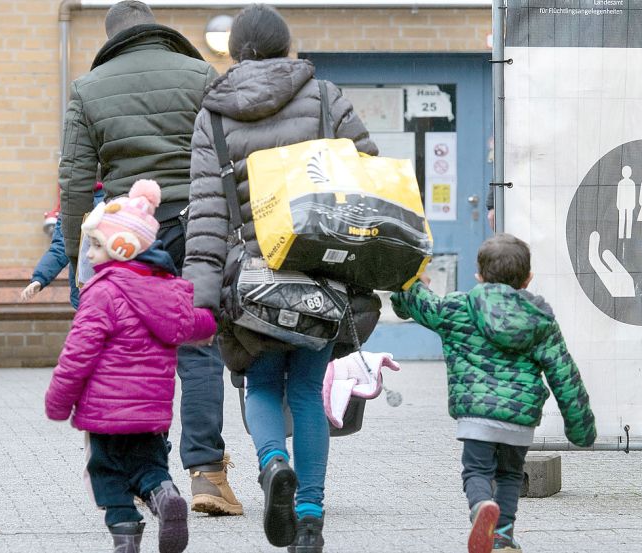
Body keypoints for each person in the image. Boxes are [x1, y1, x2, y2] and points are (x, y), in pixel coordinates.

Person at [181, 5, 377, 552]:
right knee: (310, 392)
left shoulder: (213, 116)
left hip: (250, 281)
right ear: (288, 46)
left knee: (262, 383)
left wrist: (200, 297)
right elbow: (368, 172)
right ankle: (310, 517)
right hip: (320, 272)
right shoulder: (325, 96)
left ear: (232, 52)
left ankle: (272, 468)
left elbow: (206, 214)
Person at [57, 0, 243, 515]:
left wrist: (79, 254)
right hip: (199, 223)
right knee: (200, 345)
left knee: (130, 350)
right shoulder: (200, 73)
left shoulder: (87, 89)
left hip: (127, 233)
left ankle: (149, 476)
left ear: (111, 38)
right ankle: (207, 474)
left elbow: (74, 181)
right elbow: (230, 156)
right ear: (158, 30)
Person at [390, 234, 596, 553]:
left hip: (476, 417)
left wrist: (413, 284)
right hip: (519, 421)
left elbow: (421, 305)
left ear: (479, 276)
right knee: (510, 475)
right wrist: (581, 429)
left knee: (477, 471)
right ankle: (502, 536)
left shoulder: (458, 307)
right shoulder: (539, 321)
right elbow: (564, 374)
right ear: (528, 279)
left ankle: (480, 507)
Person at [44, 180, 217, 553]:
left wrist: (58, 401)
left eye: (95, 245)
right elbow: (194, 323)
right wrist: (212, 323)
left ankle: (125, 537)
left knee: (106, 473)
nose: (88, 255)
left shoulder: (101, 293)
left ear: (121, 248)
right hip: (151, 415)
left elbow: (78, 353)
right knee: (149, 467)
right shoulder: (168, 290)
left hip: (103, 414)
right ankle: (164, 494)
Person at [22, 183, 105, 309]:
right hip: (85, 295)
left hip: (109, 291)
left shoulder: (116, 200)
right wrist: (39, 278)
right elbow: (60, 247)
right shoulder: (72, 203)